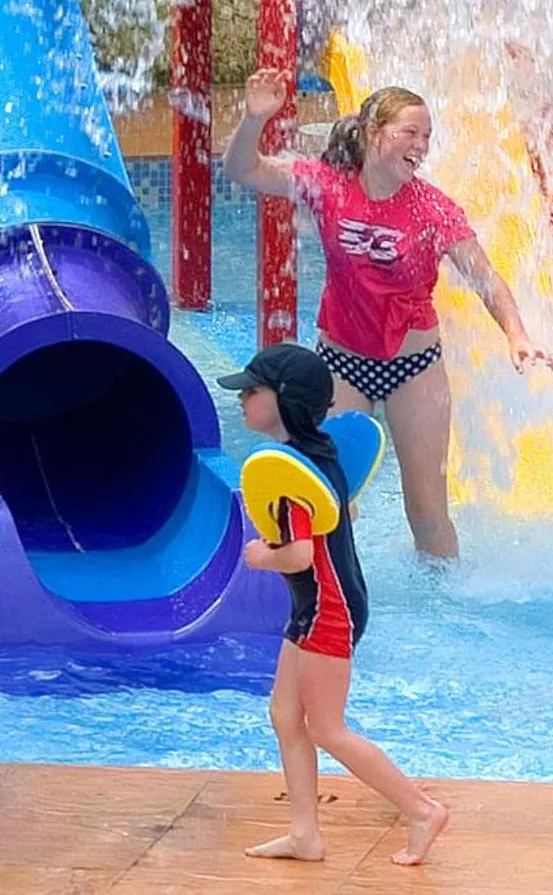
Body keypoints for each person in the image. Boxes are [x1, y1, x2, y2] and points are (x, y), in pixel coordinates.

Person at [226, 67, 553, 560]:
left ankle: (442, 612)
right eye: (410, 132)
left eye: (427, 135)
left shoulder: (432, 210)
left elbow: (486, 277)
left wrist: (517, 334)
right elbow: (242, 170)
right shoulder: (327, 185)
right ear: (373, 133)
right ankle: (334, 594)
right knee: (332, 497)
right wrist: (254, 120)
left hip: (413, 368)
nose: (422, 145)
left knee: (426, 510)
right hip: (341, 365)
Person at [221, 344, 449, 867]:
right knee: (284, 714)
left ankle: (421, 810)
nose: (242, 400)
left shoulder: (290, 481)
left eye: (252, 391)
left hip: (328, 610)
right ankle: (305, 834)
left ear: (283, 402)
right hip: (318, 605)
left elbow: (300, 553)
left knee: (326, 728)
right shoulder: (315, 452)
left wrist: (261, 556)